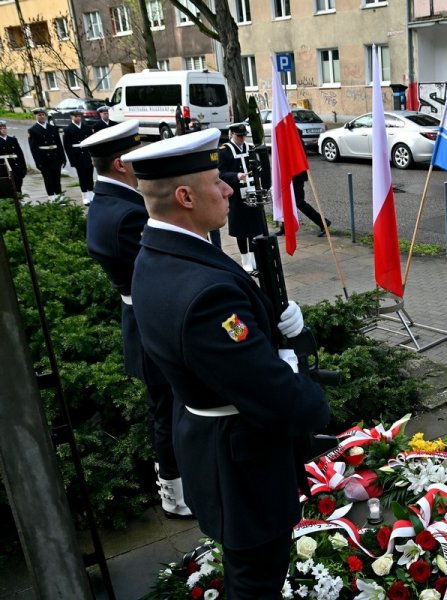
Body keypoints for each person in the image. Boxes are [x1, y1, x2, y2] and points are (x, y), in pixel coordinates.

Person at [122, 129, 330, 599]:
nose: (229, 189)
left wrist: (273, 333)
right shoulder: (204, 294)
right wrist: (306, 389)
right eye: (217, 180)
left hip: (210, 443)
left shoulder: (157, 252)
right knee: (255, 579)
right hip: (242, 467)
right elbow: (275, 395)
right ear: (185, 196)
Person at [81, 120, 193, 519]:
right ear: (119, 164)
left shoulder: (108, 203)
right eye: (134, 157)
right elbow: (161, 269)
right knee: (169, 410)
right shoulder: (127, 214)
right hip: (153, 322)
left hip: (142, 318)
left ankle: (177, 489)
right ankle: (177, 496)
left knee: (166, 407)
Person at [218, 122, 268, 273]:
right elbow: (220, 173)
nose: (241, 139)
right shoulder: (224, 151)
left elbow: (257, 165)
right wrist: (236, 176)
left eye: (243, 136)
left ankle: (253, 258)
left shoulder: (250, 148)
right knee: (240, 228)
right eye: (238, 136)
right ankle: (245, 259)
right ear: (231, 135)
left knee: (253, 227)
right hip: (235, 194)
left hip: (252, 191)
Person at [28, 107, 66, 200]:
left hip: (55, 157)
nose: (42, 117)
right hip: (44, 158)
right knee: (48, 179)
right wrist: (38, 162)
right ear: (35, 117)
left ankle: (59, 197)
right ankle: (52, 198)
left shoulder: (53, 128)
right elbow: (34, 149)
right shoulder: (33, 130)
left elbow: (59, 144)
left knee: (57, 178)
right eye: (39, 115)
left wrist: (63, 157)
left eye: (43, 115)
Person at [62, 110, 96, 205]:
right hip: (77, 155)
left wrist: (93, 155)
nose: (77, 118)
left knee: (89, 175)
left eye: (79, 116)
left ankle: (91, 194)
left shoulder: (87, 128)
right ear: (71, 117)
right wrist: (72, 160)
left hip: (87, 155)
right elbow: (67, 147)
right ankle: (85, 196)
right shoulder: (68, 129)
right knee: (82, 177)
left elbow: (91, 142)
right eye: (75, 116)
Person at [0, 120, 27, 193]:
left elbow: (20, 154)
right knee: (7, 188)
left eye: (4, 128)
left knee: (18, 186)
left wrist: (24, 168)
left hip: (16, 167)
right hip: (4, 168)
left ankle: (19, 202)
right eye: (1, 128)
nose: (3, 130)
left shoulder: (13, 140)